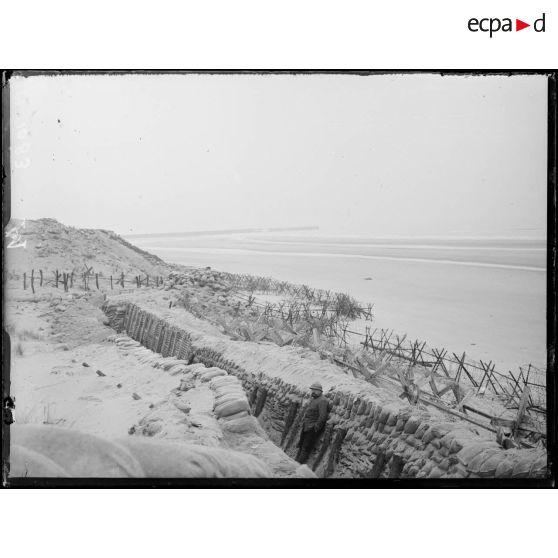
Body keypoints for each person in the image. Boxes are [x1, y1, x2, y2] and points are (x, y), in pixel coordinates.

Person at [296, 382, 329, 464]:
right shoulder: (313, 399)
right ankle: (295, 462)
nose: (313, 392)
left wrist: (316, 427)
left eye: (315, 390)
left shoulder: (323, 401)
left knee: (306, 447)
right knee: (301, 444)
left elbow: (322, 416)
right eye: (312, 390)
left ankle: (298, 465)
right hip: (306, 425)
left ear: (320, 391)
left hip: (312, 428)